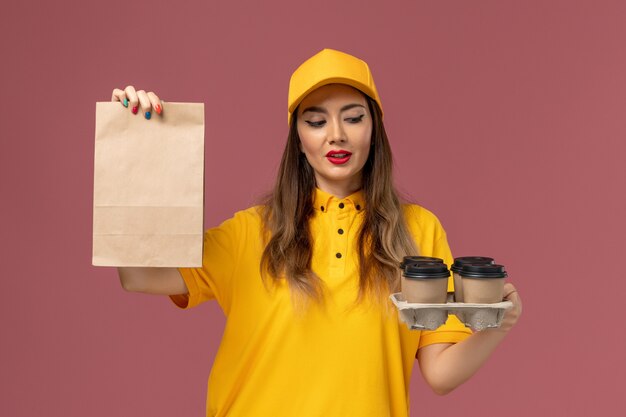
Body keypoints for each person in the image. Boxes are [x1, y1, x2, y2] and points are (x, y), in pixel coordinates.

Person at [113, 49, 522, 417]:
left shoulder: (418, 230)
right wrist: (139, 149)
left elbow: (440, 373)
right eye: (316, 120)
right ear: (298, 138)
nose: (336, 134)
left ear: (374, 129)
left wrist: (498, 325)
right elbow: (138, 275)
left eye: (353, 117)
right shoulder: (251, 231)